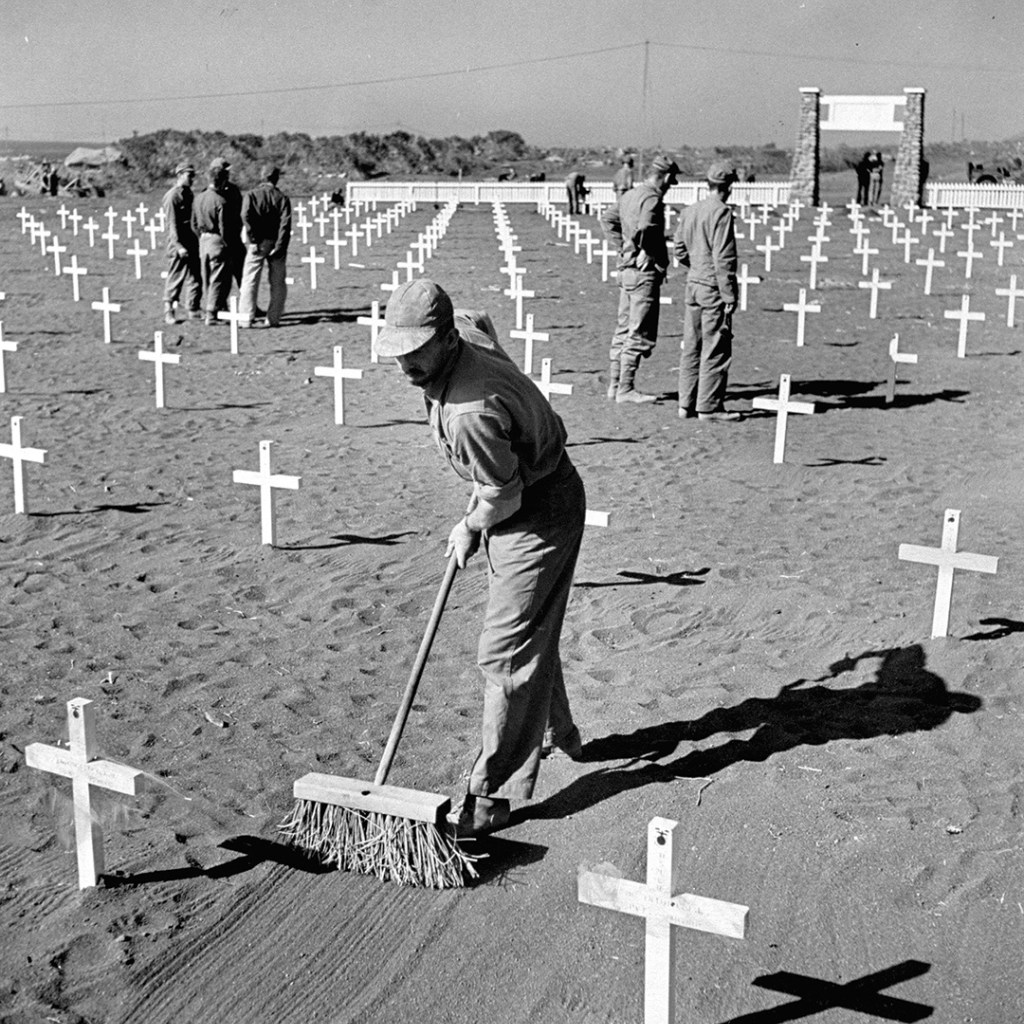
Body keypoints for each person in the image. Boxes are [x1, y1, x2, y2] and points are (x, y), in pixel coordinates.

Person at [374, 279, 587, 838]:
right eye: (398, 351)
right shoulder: (462, 332)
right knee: (526, 630)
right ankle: (557, 732)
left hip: (537, 509)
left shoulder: (470, 410)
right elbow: (479, 317)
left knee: (505, 651)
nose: (406, 365)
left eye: (416, 351)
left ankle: (493, 791)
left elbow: (504, 494)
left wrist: (469, 525)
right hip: (519, 491)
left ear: (445, 339)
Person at [599, 153, 680, 403]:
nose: (670, 185)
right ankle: (626, 388)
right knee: (639, 330)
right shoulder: (652, 198)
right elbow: (647, 227)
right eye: (670, 180)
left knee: (623, 327)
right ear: (665, 177)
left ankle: (614, 385)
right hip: (643, 273)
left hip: (626, 271)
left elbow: (608, 219)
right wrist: (645, 250)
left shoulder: (630, 194)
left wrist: (623, 248)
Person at [673, 160, 741, 422]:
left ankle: (685, 404)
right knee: (715, 346)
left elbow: (679, 249)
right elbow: (723, 257)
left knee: (692, 345)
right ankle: (709, 407)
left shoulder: (691, 211)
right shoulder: (721, 213)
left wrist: (696, 267)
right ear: (729, 185)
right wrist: (729, 294)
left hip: (694, 283)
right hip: (712, 287)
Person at [239, 165, 292, 328]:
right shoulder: (282, 198)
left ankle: (245, 318)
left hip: (258, 242)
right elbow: (285, 224)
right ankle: (273, 318)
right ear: (275, 178)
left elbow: (245, 215)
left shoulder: (252, 195)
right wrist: (280, 245)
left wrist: (252, 237)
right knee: (277, 282)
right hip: (275, 242)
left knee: (249, 279)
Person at [191, 160, 234, 326]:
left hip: (203, 241)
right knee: (218, 278)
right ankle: (212, 312)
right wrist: (226, 243)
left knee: (206, 277)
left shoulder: (198, 198)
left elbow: (194, 223)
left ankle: (212, 308)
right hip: (217, 241)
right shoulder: (220, 201)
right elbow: (225, 228)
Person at [160, 162, 202, 324]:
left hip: (191, 240)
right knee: (176, 276)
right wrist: (178, 246)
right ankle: (169, 310)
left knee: (196, 276)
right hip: (178, 243)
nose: (192, 179)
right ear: (180, 175)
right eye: (189, 175)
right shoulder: (172, 196)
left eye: (193, 175)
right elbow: (171, 224)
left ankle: (193, 307)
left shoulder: (188, 194)